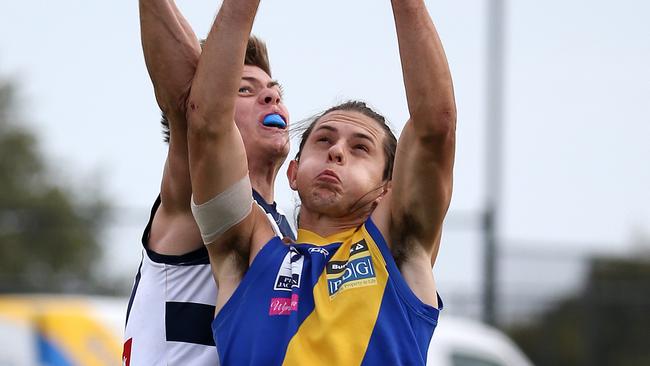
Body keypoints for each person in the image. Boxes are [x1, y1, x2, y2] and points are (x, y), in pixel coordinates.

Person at [187, 0, 455, 364]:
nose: (337, 152)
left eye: (360, 148)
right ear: (293, 173)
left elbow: (435, 125)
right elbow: (207, 125)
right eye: (324, 140)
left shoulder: (400, 250)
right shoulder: (250, 249)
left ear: (388, 190)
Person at [122, 1, 295, 364]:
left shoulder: (280, 232)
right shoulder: (194, 189)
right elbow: (188, 100)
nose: (271, 96)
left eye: (274, 89)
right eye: (245, 90)